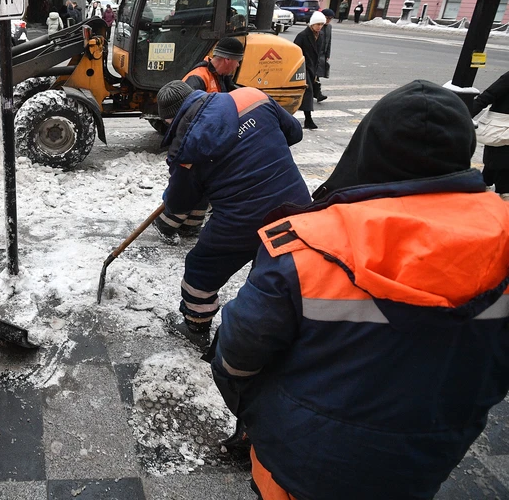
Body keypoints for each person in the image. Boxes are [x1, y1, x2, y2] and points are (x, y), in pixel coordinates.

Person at [211, 80, 509, 500]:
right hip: (425, 460)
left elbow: (239, 353)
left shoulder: (307, 247)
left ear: (368, 145)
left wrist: (254, 411)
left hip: (299, 461)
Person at [156, 81, 310, 351]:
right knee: (279, 269)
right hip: (295, 207)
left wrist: (177, 190)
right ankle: (289, 325)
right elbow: (294, 132)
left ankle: (195, 327)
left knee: (201, 267)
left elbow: (180, 203)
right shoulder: (252, 96)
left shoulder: (186, 151)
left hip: (242, 224)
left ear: (171, 118)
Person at [472, 70, 509, 197]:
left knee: (497, 164)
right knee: (495, 161)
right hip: (499, 127)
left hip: (501, 128)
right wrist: (465, 114)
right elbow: (488, 95)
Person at [294, 11, 326, 130]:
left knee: (305, 93)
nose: (319, 27)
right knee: (308, 92)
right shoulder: (303, 35)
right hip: (303, 67)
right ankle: (308, 119)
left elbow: (318, 54)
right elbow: (295, 51)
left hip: (313, 68)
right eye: (317, 24)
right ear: (312, 24)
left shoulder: (320, 35)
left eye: (321, 24)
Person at [315, 9, 334, 103]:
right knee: (315, 75)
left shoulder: (329, 27)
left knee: (317, 75)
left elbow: (329, 41)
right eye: (327, 18)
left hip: (322, 54)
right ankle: (318, 94)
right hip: (314, 54)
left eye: (330, 18)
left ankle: (317, 93)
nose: (329, 20)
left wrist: (328, 54)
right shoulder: (317, 26)